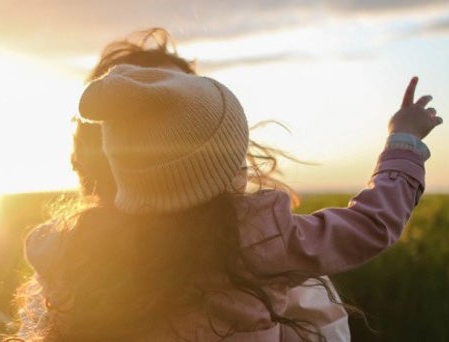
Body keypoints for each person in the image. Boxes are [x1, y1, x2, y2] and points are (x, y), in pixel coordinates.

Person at [12, 29, 442, 341]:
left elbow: (42, 245)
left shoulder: (64, 254)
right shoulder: (262, 241)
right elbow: (372, 224)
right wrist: (402, 144)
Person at [68, 28, 351, 340]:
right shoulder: (64, 271)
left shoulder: (272, 258)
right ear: (103, 149)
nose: (165, 124)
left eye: (180, 103)